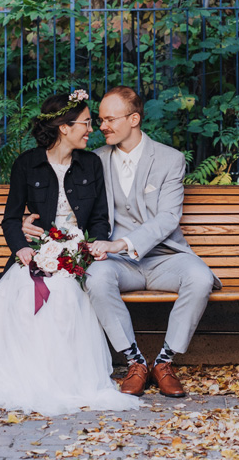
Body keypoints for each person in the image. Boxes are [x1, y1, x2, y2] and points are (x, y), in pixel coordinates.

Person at [0, 90, 141, 416]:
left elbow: (101, 219)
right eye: (86, 123)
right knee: (21, 293)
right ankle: (29, 376)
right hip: (37, 253)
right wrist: (21, 246)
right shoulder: (27, 165)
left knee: (65, 293)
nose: (91, 129)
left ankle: (65, 379)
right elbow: (10, 218)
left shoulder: (91, 163)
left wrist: (93, 246)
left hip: (78, 253)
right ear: (64, 127)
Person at [24, 85, 219, 398]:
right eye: (99, 120)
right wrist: (30, 219)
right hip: (114, 263)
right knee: (95, 277)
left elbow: (168, 218)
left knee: (200, 276)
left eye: (110, 119)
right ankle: (135, 362)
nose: (101, 127)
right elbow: (61, 197)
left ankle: (165, 361)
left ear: (134, 119)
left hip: (165, 257)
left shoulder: (170, 160)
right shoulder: (92, 160)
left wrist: (122, 242)